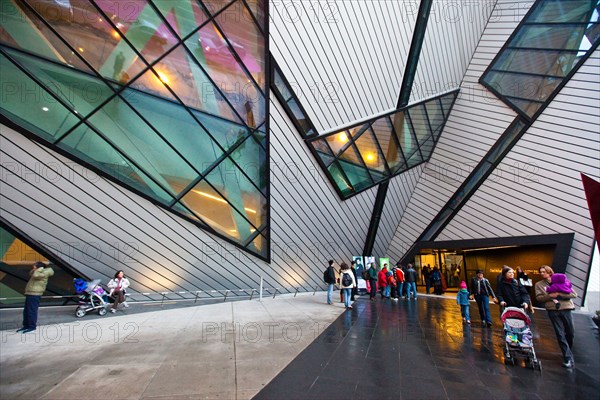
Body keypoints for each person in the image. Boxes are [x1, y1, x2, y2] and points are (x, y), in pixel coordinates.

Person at [535, 265, 577, 369]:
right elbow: (539, 298)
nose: (542, 273)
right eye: (541, 272)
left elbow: (574, 294)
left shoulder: (561, 280)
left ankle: (568, 351)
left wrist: (559, 294)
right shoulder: (539, 284)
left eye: (544, 271)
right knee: (559, 333)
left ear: (549, 272)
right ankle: (567, 357)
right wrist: (549, 296)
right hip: (552, 310)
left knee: (570, 332)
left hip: (566, 308)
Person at [17, 261, 54, 333]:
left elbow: (35, 276)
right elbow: (31, 274)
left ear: (39, 267)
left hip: (35, 294)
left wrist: (39, 269)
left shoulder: (44, 273)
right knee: (26, 311)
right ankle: (26, 326)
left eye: (34, 266)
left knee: (31, 311)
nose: (33, 267)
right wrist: (35, 269)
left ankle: (32, 327)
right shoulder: (37, 272)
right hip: (30, 293)